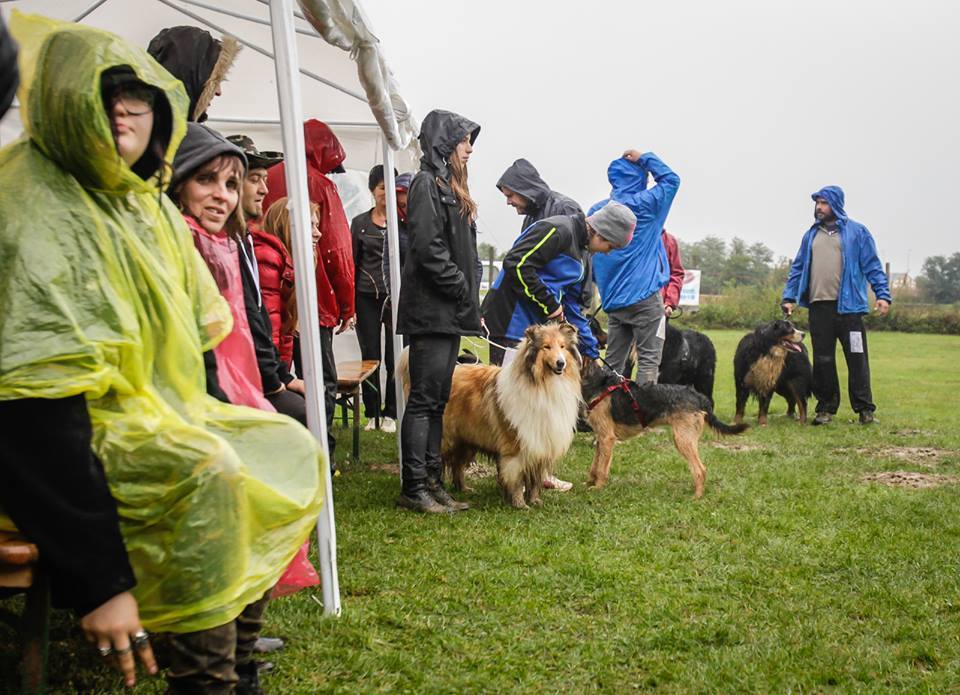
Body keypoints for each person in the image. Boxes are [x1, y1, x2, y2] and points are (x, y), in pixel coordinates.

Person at [0, 16, 320, 693]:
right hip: (57, 445)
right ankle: (203, 681)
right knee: (208, 469)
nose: (123, 110)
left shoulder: (140, 204)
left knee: (281, 444)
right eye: (104, 95)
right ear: (60, 97)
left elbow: (201, 350)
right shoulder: (29, 202)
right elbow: (35, 411)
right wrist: (101, 581)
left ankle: (237, 667)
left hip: (144, 420)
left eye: (136, 98)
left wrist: (241, 414)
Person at [396, 109, 482, 514]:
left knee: (437, 399)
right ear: (446, 142)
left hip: (448, 312)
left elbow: (462, 252)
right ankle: (414, 486)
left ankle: (433, 481)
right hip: (431, 310)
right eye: (464, 140)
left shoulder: (449, 186)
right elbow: (429, 249)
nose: (468, 148)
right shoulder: (426, 185)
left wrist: (468, 298)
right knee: (424, 400)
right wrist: (462, 287)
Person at [264, 119, 356, 463]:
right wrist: (347, 305)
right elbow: (337, 250)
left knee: (277, 375)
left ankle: (286, 450)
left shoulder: (268, 175)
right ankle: (319, 454)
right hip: (313, 299)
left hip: (270, 293)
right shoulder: (319, 184)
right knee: (320, 380)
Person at [782, 186, 891, 425]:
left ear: (836, 204)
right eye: (817, 203)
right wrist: (789, 296)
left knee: (857, 358)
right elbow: (798, 268)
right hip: (819, 308)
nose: (819, 208)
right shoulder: (811, 235)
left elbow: (873, 266)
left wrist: (882, 294)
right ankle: (825, 409)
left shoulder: (857, 233)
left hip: (850, 310)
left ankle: (865, 410)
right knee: (822, 360)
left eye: (824, 203)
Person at [227, 134, 308, 426]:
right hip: (239, 378)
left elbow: (260, 317)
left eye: (264, 179)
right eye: (254, 179)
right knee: (300, 414)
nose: (264, 189)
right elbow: (248, 319)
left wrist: (282, 375)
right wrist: (274, 380)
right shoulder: (227, 242)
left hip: (261, 371)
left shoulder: (245, 238)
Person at [589, 149, 681, 383]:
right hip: (646, 299)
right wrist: (644, 158)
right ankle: (642, 416)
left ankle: (602, 412)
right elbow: (672, 180)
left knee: (613, 361)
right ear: (642, 178)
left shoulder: (597, 211)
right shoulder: (650, 203)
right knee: (649, 360)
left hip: (613, 301)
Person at [351, 165, 401, 433]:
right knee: (370, 356)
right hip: (366, 298)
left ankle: (391, 413)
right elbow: (352, 263)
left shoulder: (402, 222)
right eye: (382, 188)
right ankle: (372, 413)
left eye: (391, 188)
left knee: (394, 357)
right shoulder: (360, 223)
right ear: (373, 191)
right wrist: (350, 304)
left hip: (394, 300)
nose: (386, 193)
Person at [146, 25, 239, 122]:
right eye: (215, 80)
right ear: (188, 76)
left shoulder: (137, 128)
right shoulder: (198, 136)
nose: (218, 92)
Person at [661, 229, 685, 317]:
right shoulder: (625, 236)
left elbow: (676, 274)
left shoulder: (669, 241)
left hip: (660, 307)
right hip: (623, 306)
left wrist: (669, 302)